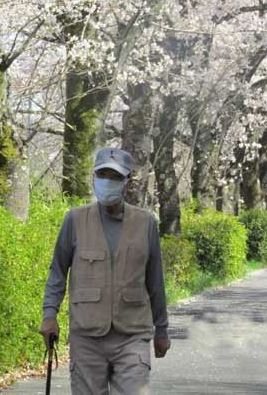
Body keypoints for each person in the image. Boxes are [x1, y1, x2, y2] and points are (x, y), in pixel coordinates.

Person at [39, 147, 170, 395]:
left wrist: (161, 329)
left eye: (115, 176)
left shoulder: (146, 223)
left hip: (132, 335)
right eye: (103, 175)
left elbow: (155, 282)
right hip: (87, 336)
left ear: (126, 181)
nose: (107, 182)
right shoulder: (75, 220)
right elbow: (57, 272)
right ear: (93, 177)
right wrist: (49, 315)